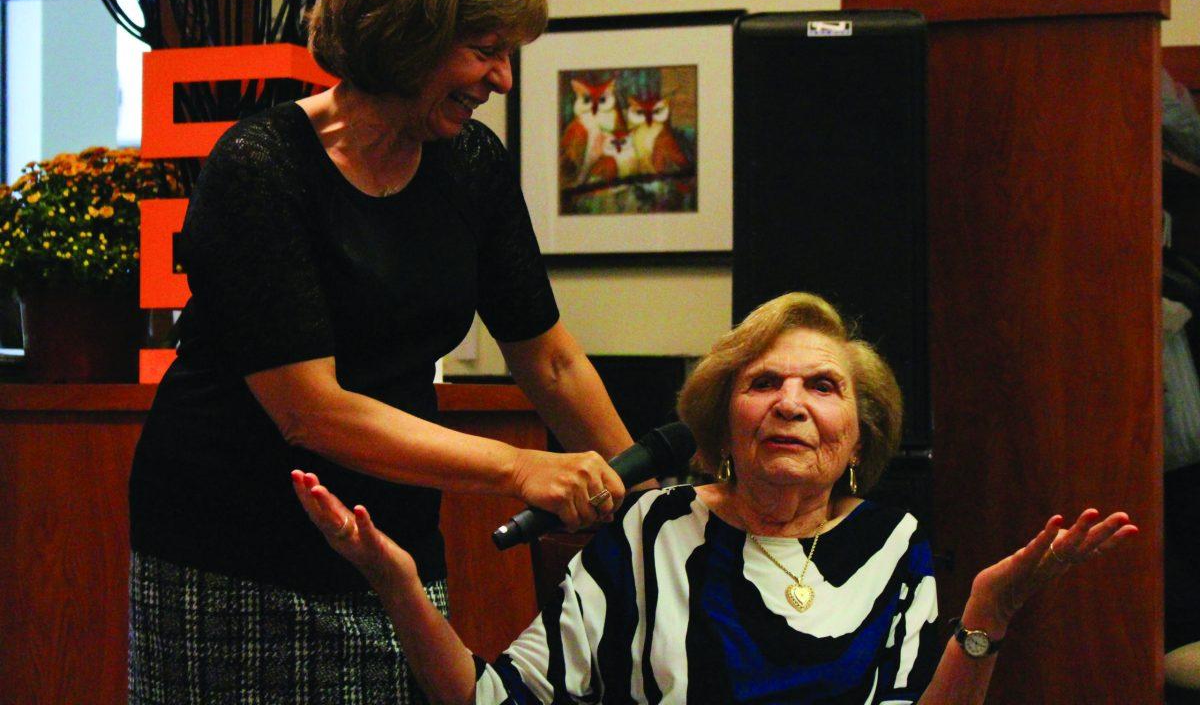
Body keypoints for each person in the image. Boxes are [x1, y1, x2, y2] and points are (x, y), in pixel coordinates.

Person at [127, 0, 634, 702]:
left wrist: (647, 509)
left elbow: (551, 358)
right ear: (409, 33)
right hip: (230, 550)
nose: (502, 80)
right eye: (485, 50)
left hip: (391, 537)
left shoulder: (472, 165)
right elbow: (313, 412)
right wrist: (521, 466)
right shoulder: (261, 167)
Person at [293, 292, 1138, 704]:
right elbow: (489, 701)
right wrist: (397, 585)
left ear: (859, 432)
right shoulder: (653, 527)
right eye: (763, 382)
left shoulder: (892, 543)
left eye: (822, 386)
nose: (792, 403)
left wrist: (985, 618)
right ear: (721, 423)